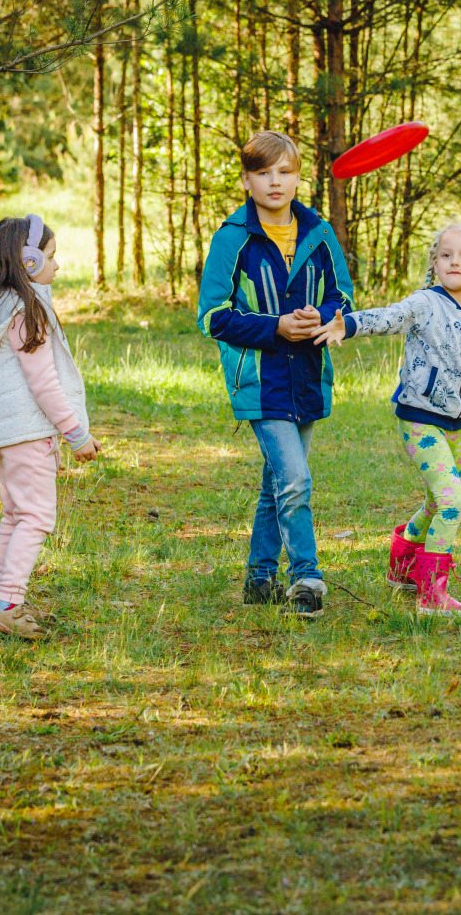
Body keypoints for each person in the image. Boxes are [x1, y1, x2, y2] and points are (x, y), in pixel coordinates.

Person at [314, 221, 461, 616]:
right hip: (419, 421)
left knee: (435, 500)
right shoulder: (424, 304)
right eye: (446, 255)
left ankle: (402, 564)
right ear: (435, 263)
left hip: (456, 428)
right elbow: (389, 317)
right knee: (451, 501)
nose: (454, 262)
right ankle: (432, 593)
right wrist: (350, 322)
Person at [198, 131, 353, 619]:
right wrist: (276, 327)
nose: (274, 182)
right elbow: (212, 315)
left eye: (284, 171)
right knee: (295, 478)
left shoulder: (320, 233)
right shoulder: (232, 239)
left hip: (307, 374)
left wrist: (324, 318)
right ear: (246, 180)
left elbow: (343, 296)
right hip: (259, 380)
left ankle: (259, 576)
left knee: (277, 482)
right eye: (263, 173)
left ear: (298, 176)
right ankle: (306, 576)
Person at [0, 215, 101, 641]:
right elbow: (44, 382)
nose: (58, 265)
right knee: (36, 517)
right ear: (28, 262)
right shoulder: (25, 310)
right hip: (27, 432)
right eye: (50, 257)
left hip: (3, 434)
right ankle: (7, 604)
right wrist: (76, 435)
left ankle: (7, 598)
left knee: (15, 516)